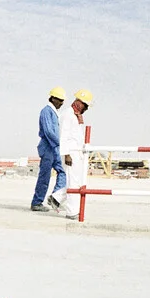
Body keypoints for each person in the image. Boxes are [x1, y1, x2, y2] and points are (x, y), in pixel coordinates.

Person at [58, 88, 92, 219]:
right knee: (72, 182)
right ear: (80, 103)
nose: (87, 109)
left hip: (77, 154)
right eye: (86, 105)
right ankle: (71, 211)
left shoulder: (76, 116)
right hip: (70, 155)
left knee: (76, 182)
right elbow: (64, 135)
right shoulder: (68, 114)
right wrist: (66, 154)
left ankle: (56, 199)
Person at [30, 87, 66, 212]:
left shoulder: (54, 112)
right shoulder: (46, 111)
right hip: (48, 147)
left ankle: (55, 197)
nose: (61, 103)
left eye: (62, 101)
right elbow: (49, 132)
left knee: (63, 172)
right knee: (45, 176)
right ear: (52, 98)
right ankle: (37, 202)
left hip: (55, 148)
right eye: (59, 100)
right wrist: (60, 143)